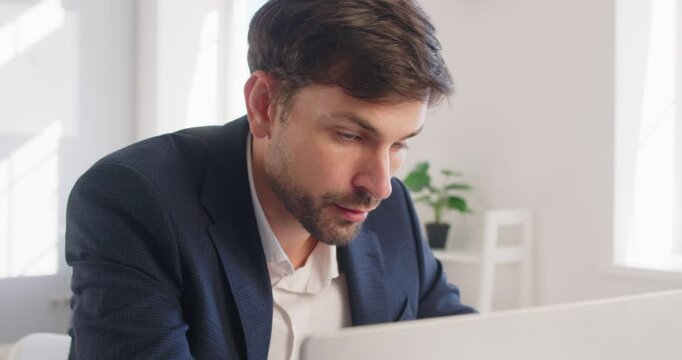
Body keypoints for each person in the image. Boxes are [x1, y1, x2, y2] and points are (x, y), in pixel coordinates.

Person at [65, 0, 476, 358]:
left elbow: (464, 342)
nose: (380, 185)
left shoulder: (393, 211)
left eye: (400, 144)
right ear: (264, 105)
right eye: (350, 136)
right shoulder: (136, 200)